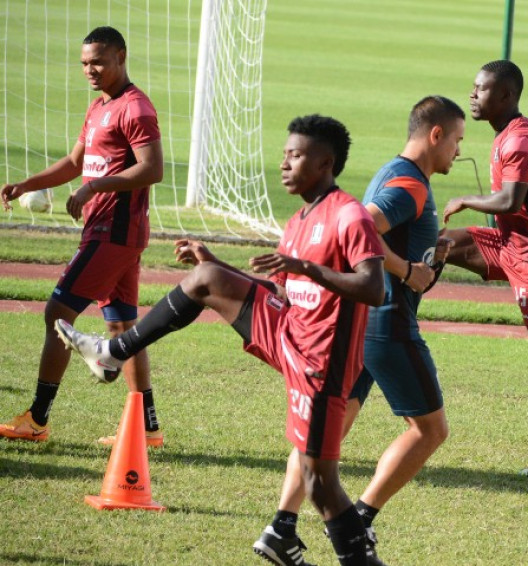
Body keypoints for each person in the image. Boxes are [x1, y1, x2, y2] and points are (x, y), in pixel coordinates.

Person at [56, 114, 388, 566]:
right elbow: (281, 293)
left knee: (318, 481)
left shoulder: (348, 216)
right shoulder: (297, 222)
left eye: (296, 155)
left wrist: (307, 268)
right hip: (290, 334)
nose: (285, 163)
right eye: (284, 154)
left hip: (322, 365)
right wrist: (222, 267)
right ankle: (113, 352)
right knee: (207, 277)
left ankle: (355, 559)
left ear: (326, 162)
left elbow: (374, 288)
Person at [0, 26, 165, 447]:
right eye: (85, 63)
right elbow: (76, 161)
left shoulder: (136, 108)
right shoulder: (99, 107)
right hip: (111, 232)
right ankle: (146, 429)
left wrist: (95, 187)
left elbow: (152, 169)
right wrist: (25, 183)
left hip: (115, 232)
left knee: (57, 312)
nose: (90, 70)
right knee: (125, 327)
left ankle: (37, 419)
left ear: (121, 57)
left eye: (99, 62)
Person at [441, 60, 528, 480]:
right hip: (509, 246)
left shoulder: (520, 140)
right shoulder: (508, 134)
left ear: (505, 95)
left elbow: (510, 202)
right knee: (438, 246)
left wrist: (466, 199)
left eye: (480, 89)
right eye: (473, 87)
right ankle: (397, 325)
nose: (472, 95)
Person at [341, 95, 464, 555]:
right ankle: (360, 518)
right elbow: (361, 227)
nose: (457, 150)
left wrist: (428, 263)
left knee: (334, 424)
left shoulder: (392, 172)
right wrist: (404, 269)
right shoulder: (411, 185)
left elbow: (411, 270)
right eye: (456, 140)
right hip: (387, 324)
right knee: (430, 431)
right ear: (435, 135)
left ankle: (283, 521)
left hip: (365, 320)